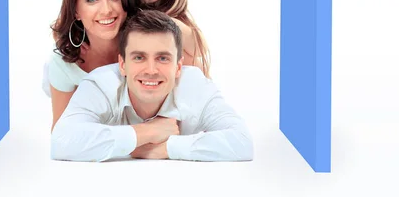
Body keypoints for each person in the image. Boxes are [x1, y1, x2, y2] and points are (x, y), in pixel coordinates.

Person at [51, 9, 253, 162]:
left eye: (163, 58)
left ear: (178, 67)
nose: (151, 70)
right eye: (139, 57)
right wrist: (146, 132)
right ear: (122, 65)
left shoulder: (195, 86)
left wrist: (167, 148)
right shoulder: (100, 85)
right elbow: (60, 141)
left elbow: (243, 142)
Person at [44, 0, 142, 130]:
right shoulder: (63, 62)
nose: (106, 10)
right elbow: (62, 135)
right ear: (76, 11)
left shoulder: (149, 43)